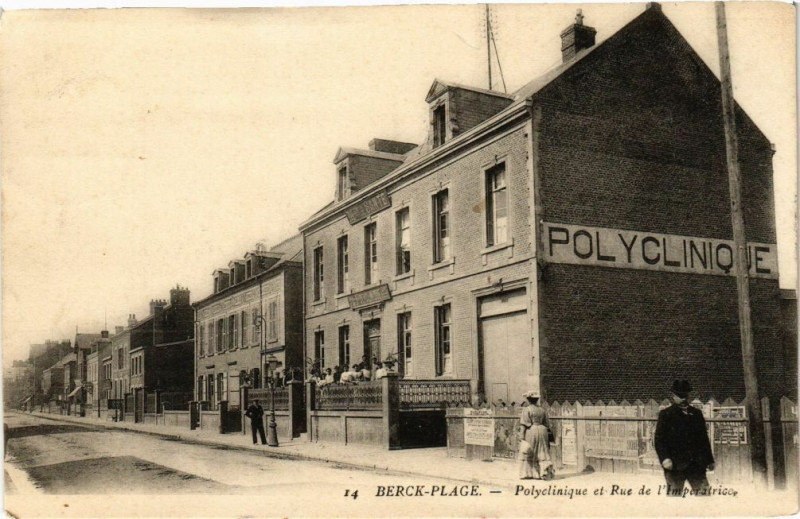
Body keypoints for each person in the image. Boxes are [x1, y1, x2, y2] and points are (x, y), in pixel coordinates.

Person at [655, 380, 714, 496]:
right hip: (674, 466)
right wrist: (665, 458)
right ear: (673, 396)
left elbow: (703, 439)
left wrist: (709, 459)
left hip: (696, 465)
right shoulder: (666, 414)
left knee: (705, 498)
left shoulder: (697, 414)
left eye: (686, 395)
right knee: (674, 499)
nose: (683, 399)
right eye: (680, 396)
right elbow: (659, 440)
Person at [517, 390, 554, 480]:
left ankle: (530, 474)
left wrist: (521, 436)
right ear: (537, 400)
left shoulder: (527, 409)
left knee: (530, 451)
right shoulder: (542, 410)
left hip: (531, 431)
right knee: (543, 451)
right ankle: (544, 472)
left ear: (528, 400)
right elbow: (547, 424)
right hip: (542, 431)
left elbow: (524, 424)